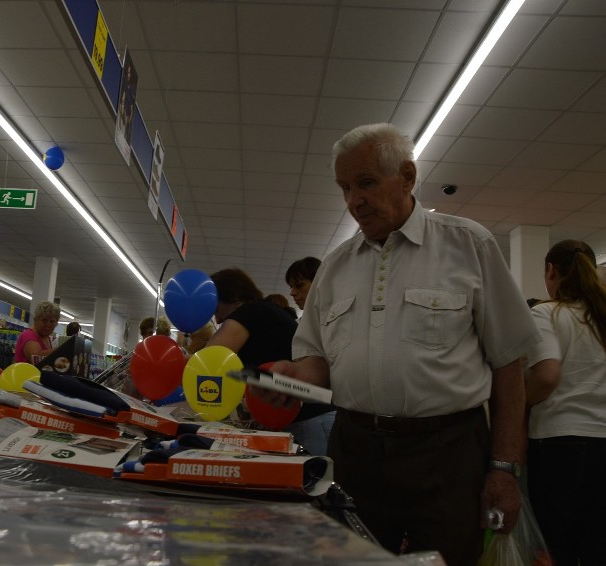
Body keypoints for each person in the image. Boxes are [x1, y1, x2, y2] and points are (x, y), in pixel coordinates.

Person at [267, 123, 540, 564]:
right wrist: (291, 378)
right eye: (345, 187)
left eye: (367, 183)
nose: (354, 200)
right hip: (354, 450)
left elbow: (510, 364)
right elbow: (316, 359)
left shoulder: (468, 245)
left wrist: (505, 469)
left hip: (448, 454)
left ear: (408, 177)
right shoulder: (335, 267)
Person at [525, 240, 606, 565]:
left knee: (556, 547)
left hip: (560, 444)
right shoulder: (601, 318)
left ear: (550, 271)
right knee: (596, 547)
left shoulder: (546, 312)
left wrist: (520, 404)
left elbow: (546, 376)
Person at [209, 268, 335, 454]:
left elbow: (209, 361)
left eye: (217, 309)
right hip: (319, 416)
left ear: (234, 297)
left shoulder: (248, 312)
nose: (218, 319)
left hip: (308, 422)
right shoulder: (270, 312)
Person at [281, 257, 338, 456]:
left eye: (299, 285)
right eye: (290, 286)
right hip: (317, 412)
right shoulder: (307, 322)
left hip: (322, 415)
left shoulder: (335, 320)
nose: (292, 292)